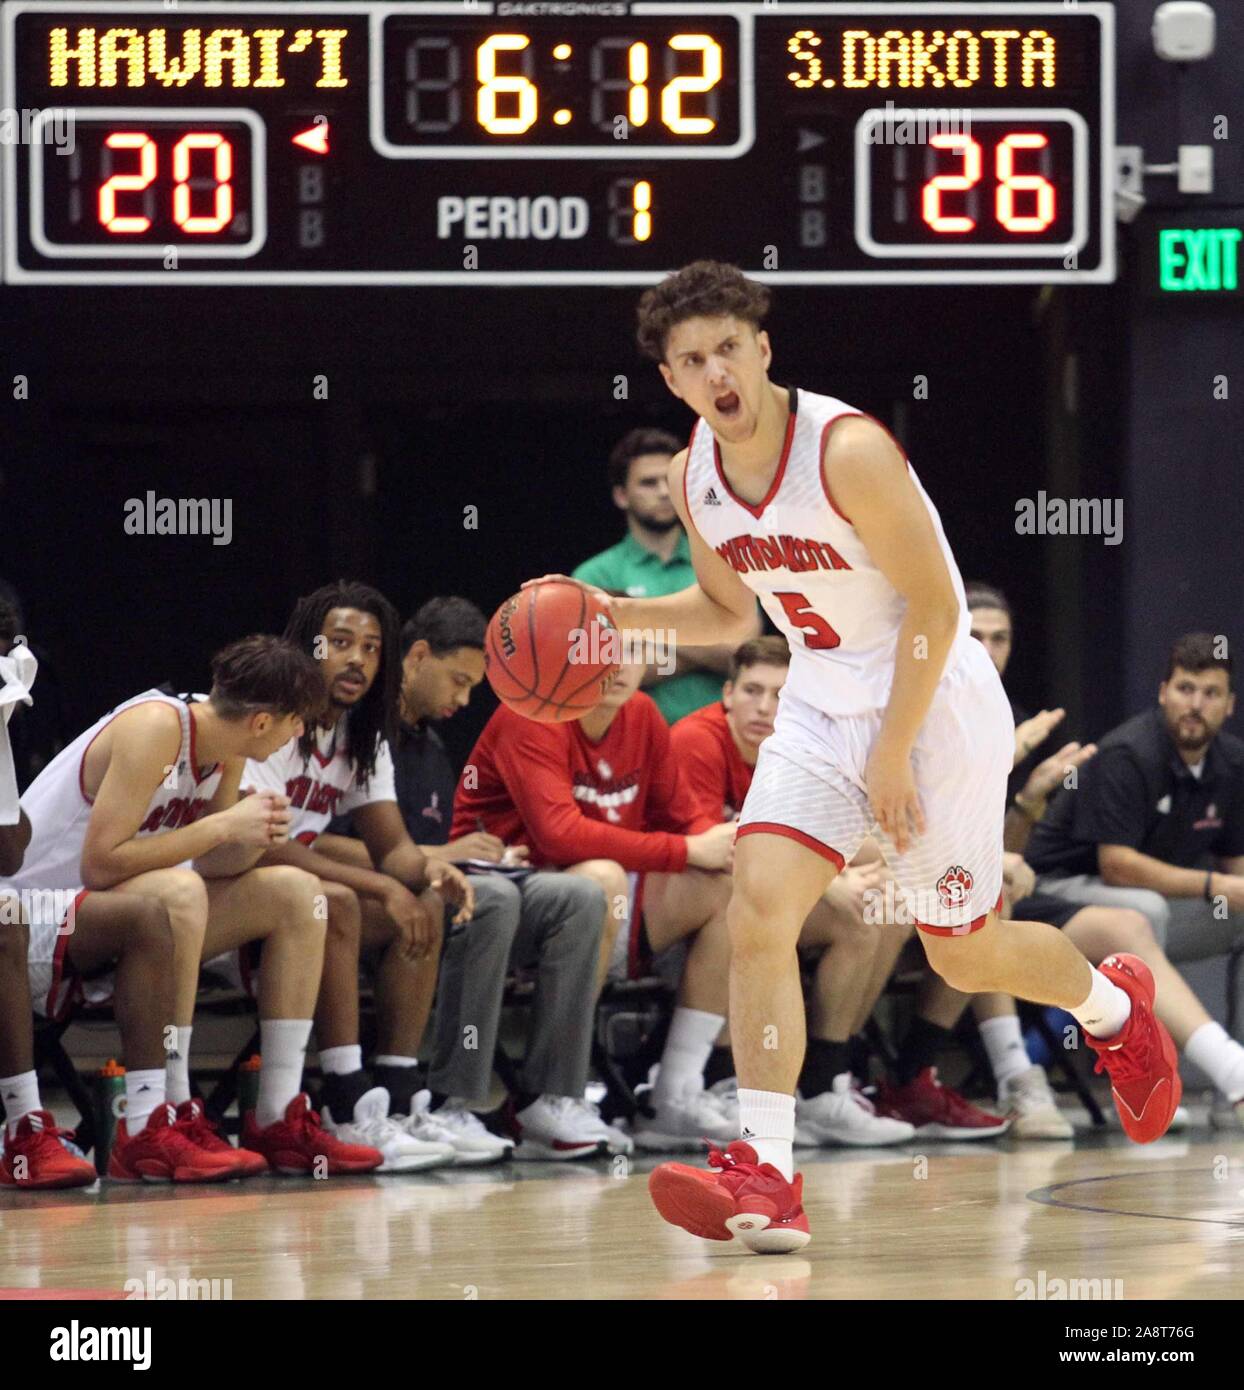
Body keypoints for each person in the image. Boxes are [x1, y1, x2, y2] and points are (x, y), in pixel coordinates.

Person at [532, 260, 1181, 1254]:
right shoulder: (700, 473)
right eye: (690, 360)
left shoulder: (846, 450)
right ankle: (770, 1171)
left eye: (726, 349)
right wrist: (610, 609)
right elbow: (724, 610)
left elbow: (932, 607)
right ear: (668, 378)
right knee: (758, 907)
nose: (713, 373)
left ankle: (1110, 1003)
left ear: (762, 348)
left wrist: (891, 752)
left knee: (959, 946)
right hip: (821, 700)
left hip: (932, 702)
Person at [4, 634, 383, 1179]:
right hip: (32, 919)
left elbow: (211, 864)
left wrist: (249, 836)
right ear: (260, 722)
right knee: (177, 893)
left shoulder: (225, 749)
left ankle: (276, 1114)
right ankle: (164, 1112)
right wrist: (219, 827)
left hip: (131, 923)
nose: (299, 734)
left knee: (298, 893)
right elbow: (102, 864)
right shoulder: (157, 727)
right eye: (295, 722)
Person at [338, 595, 607, 1162]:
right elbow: (326, 842)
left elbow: (430, 850)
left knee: (579, 896)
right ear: (415, 658)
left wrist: (480, 854)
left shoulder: (432, 745)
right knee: (492, 901)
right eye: (457, 681)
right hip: (376, 897)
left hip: (440, 879)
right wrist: (445, 853)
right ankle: (451, 1099)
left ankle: (547, 1097)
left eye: (472, 688)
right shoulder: (357, 734)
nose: (464, 700)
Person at [452, 651, 745, 1151]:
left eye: (629, 652)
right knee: (602, 878)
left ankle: (672, 1095)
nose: (615, 666)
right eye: (596, 651)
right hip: (503, 895)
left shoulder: (643, 714)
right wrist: (687, 849)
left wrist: (724, 843)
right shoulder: (533, 713)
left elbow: (680, 816)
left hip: (606, 902)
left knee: (725, 888)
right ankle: (552, 1094)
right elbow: (560, 835)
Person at [240, 582, 474, 1171]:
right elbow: (266, 848)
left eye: (371, 649)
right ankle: (346, 1097)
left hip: (294, 904)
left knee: (424, 897)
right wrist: (384, 884)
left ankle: (394, 1091)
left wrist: (431, 870)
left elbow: (393, 848)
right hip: (228, 894)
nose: (357, 660)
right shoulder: (267, 719)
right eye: (340, 643)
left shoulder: (362, 737)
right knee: (340, 899)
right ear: (307, 647)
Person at [671, 634, 914, 1147]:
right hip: (686, 898)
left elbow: (862, 835)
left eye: (780, 695)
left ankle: (825, 1087)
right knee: (748, 910)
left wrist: (848, 870)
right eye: (753, 691)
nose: (764, 707)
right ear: (727, 694)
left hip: (760, 890)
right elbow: (720, 848)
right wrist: (828, 880)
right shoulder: (698, 740)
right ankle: (717, 1081)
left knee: (878, 909)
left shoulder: (804, 750)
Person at [1025, 632, 1244, 1127]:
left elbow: (1235, 868)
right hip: (1054, 891)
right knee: (1145, 911)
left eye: (1210, 694)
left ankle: (1226, 1094)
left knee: (1224, 917)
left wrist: (1229, 889)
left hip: (1147, 907)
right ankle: (1202, 1073)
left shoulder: (1231, 765)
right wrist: (1213, 888)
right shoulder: (1130, 752)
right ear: (1163, 691)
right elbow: (1116, 865)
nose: (1196, 704)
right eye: (1186, 689)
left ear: (1229, 706)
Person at [573, 427, 759, 724]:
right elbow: (602, 671)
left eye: (669, 481)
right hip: (634, 746)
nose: (663, 492)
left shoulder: (723, 559)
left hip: (721, 742)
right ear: (622, 495)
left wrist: (643, 640)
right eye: (648, 483)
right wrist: (710, 636)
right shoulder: (594, 573)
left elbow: (744, 656)